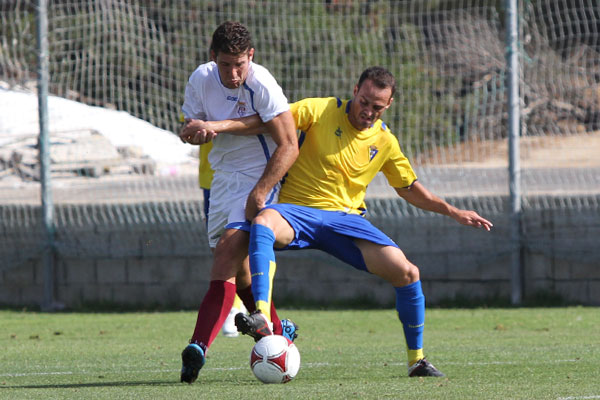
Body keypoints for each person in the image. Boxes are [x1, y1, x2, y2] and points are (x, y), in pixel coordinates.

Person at [184, 66, 493, 378]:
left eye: (377, 107)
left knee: (408, 272)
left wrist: (454, 212)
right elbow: (270, 121)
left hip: (346, 221)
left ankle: (417, 360)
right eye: (364, 101)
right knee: (263, 222)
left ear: (388, 106)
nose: (368, 111)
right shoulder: (320, 110)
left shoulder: (385, 141)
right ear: (355, 89)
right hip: (296, 213)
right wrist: (215, 127)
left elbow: (409, 189)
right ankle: (262, 316)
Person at [178, 21, 299, 384]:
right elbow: (193, 129)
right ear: (212, 57)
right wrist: (195, 133)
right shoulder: (201, 79)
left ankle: (197, 347)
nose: (233, 73)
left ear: (251, 57)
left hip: (259, 179)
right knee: (240, 272)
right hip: (222, 180)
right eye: (225, 64)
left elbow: (288, 144)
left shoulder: (261, 83)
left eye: (240, 64)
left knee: (225, 258)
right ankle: (277, 332)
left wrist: (261, 191)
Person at [196, 141, 246, 337]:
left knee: (254, 241)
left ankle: (259, 310)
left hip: (249, 174)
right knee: (220, 247)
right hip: (213, 177)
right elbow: (189, 127)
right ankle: (236, 306)